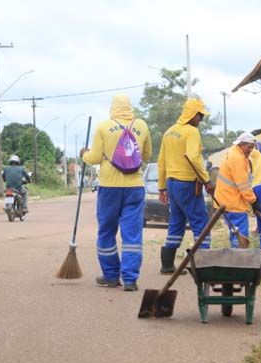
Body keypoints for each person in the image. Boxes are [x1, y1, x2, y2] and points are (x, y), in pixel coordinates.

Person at [80, 94, 152, 291]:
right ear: (130, 107)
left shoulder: (103, 127)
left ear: (113, 108)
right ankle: (130, 279)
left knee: (106, 231)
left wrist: (83, 154)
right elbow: (146, 155)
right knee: (132, 234)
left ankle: (111, 276)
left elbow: (94, 158)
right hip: (135, 187)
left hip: (109, 187)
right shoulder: (142, 125)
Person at [157, 97, 213, 273]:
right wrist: (207, 180)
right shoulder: (191, 132)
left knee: (177, 221)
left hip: (172, 184)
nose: (201, 120)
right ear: (193, 115)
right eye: (200, 116)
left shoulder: (169, 132)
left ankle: (167, 265)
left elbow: (161, 162)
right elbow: (194, 157)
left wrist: (162, 187)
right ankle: (204, 266)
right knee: (200, 221)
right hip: (187, 184)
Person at [214, 133, 260, 247]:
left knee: (234, 231)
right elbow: (243, 185)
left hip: (226, 200)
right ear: (241, 144)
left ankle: (233, 257)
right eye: (249, 147)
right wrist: (253, 201)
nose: (250, 150)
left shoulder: (233, 152)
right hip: (233, 202)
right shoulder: (238, 158)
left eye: (252, 147)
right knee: (240, 234)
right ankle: (239, 259)